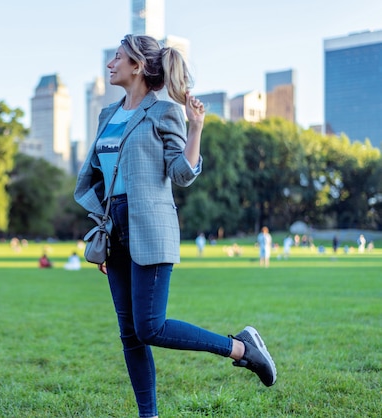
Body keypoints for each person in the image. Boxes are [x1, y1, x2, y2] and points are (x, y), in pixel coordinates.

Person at [74, 34, 276, 418]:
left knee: (150, 326)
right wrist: (105, 229)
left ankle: (242, 349)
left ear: (137, 66)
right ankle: (147, 415)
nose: (109, 64)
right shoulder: (107, 116)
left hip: (150, 226)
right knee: (130, 335)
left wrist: (195, 129)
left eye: (117, 58)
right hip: (114, 230)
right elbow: (99, 178)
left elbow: (181, 174)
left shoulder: (164, 112)